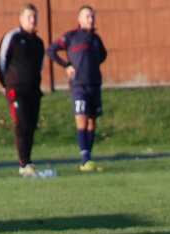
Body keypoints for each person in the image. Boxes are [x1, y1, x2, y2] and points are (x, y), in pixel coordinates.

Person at [47, 5, 107, 172]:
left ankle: (89, 156)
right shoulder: (71, 37)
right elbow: (51, 50)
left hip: (94, 85)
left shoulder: (96, 39)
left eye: (92, 16)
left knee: (92, 122)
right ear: (79, 19)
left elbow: (102, 55)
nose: (91, 19)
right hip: (78, 85)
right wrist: (66, 65)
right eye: (87, 16)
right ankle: (85, 159)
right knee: (81, 118)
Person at [0, 3, 46, 178]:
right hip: (16, 89)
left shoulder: (39, 42)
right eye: (29, 17)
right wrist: (5, 84)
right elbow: (0, 62)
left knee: (31, 126)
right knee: (22, 124)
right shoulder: (13, 37)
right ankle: (23, 164)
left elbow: (40, 67)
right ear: (21, 19)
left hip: (33, 90)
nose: (32, 20)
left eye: (35, 17)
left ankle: (28, 161)